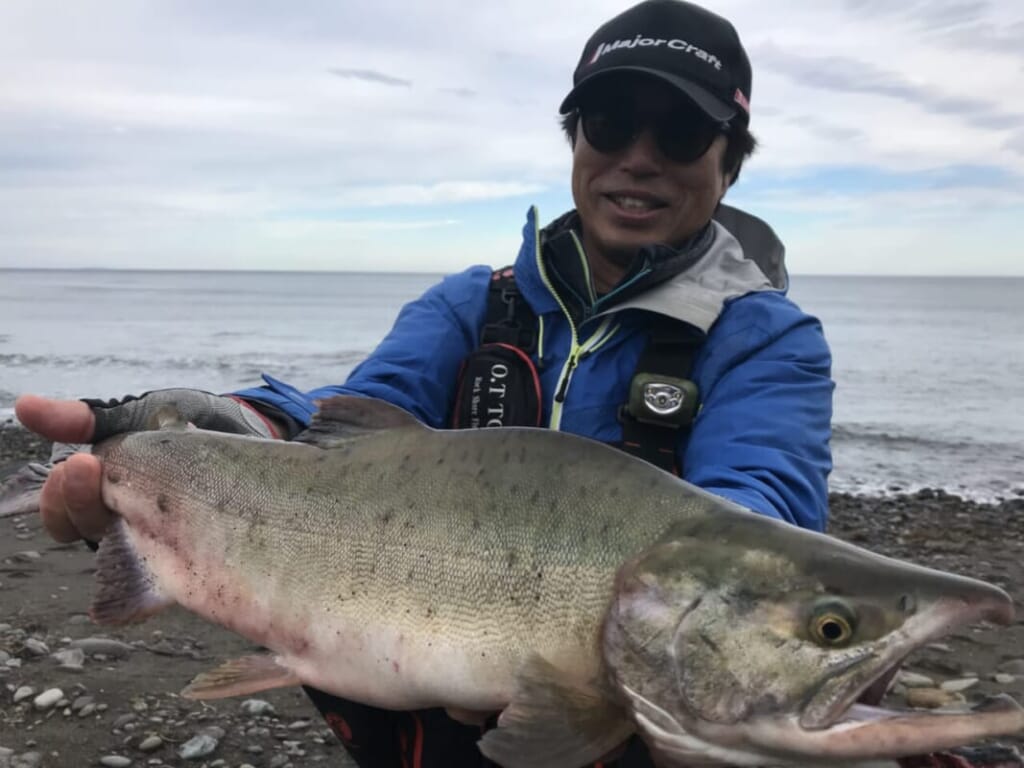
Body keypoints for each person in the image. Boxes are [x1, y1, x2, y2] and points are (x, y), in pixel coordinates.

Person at [15, 1, 834, 765]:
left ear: (731, 163)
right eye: (611, 123)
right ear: (577, 140)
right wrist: (243, 422)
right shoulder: (474, 303)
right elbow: (366, 420)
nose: (639, 158)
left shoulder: (769, 341)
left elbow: (761, 513)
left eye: (683, 132)